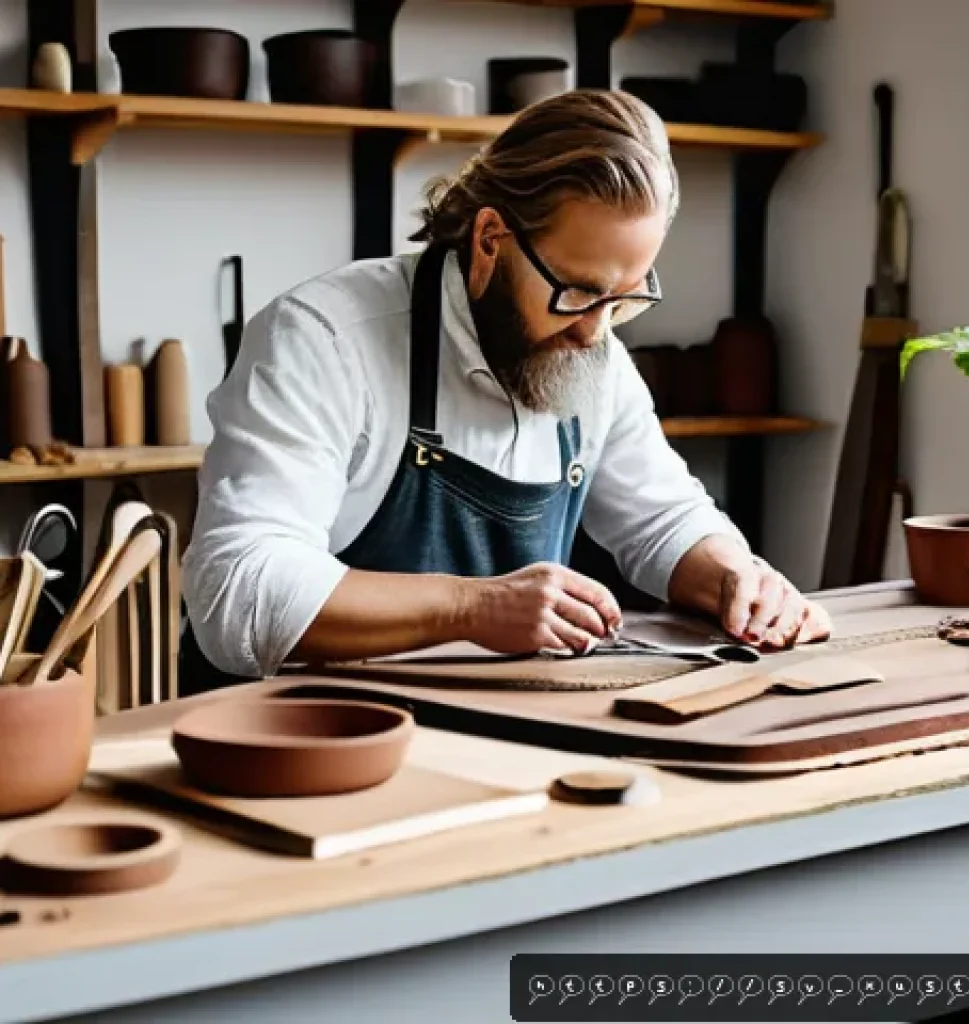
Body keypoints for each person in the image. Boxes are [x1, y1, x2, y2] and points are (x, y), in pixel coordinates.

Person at [180, 88, 831, 690]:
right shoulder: (325, 338)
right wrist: (475, 606)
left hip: (481, 733)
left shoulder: (591, 346)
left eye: (624, 299)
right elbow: (238, 592)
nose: (594, 332)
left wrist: (735, 577)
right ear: (492, 238)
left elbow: (661, 520)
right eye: (577, 290)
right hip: (295, 742)